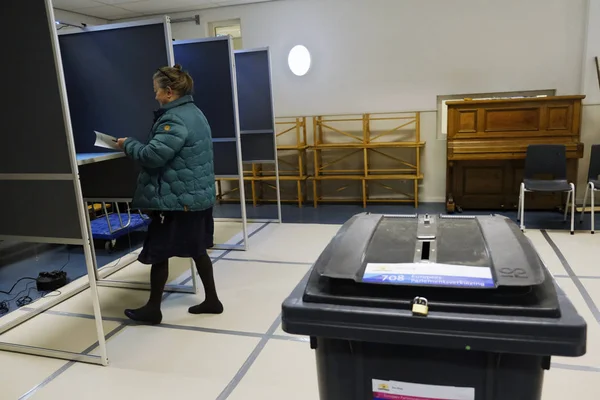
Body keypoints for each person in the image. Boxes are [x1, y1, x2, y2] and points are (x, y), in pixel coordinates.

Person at [116, 64, 223, 325]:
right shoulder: (194, 112)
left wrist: (127, 144)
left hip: (177, 202)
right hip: (194, 199)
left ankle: (153, 309)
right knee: (198, 250)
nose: (155, 96)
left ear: (170, 91)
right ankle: (212, 300)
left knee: (159, 253)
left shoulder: (174, 119)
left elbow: (153, 156)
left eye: (157, 91)